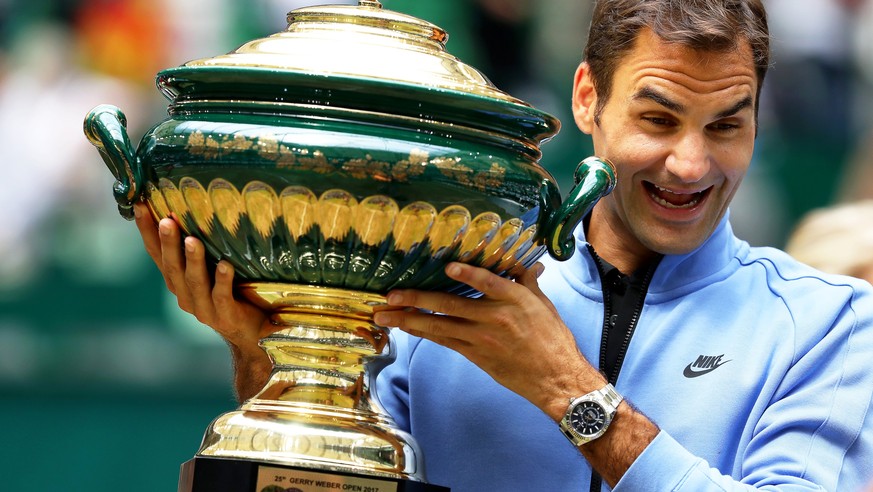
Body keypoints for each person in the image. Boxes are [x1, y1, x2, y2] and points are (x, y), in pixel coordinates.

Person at [132, 0, 873, 490]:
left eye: (724, 126)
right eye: (657, 120)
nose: (690, 163)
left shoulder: (831, 323)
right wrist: (271, 354)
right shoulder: (447, 278)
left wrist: (568, 391)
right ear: (587, 98)